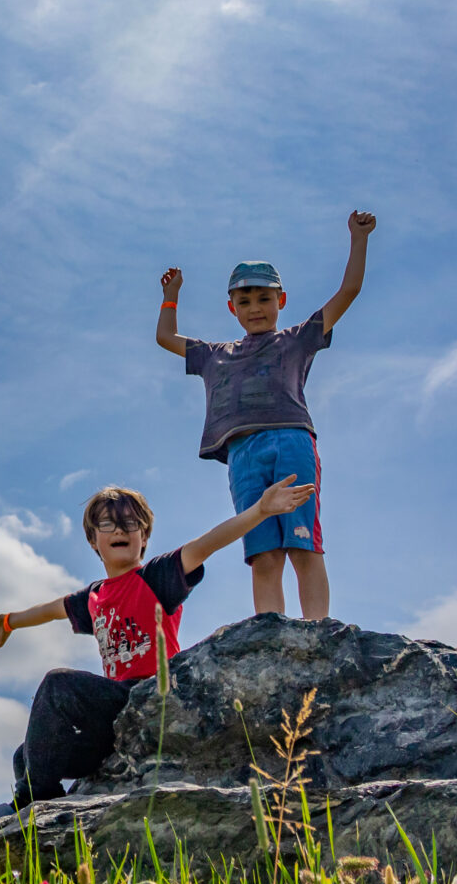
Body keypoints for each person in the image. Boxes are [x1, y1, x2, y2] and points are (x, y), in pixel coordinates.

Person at [0, 476, 314, 818]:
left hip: (149, 699)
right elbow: (49, 610)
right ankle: (50, 807)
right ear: (93, 540)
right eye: (108, 525)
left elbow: (208, 543)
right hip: (111, 724)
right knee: (27, 755)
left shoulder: (156, 577)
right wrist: (9, 623)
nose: (120, 530)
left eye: (130, 524)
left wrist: (261, 511)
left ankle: (32, 802)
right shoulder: (94, 597)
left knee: (57, 686)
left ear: (144, 537)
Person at [154, 209, 375, 622]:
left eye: (264, 299)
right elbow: (165, 337)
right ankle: (270, 632)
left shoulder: (296, 340)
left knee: (302, 541)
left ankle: (317, 629)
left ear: (281, 301)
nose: (255, 308)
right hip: (242, 453)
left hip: (290, 440)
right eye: (245, 301)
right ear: (231, 307)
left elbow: (349, 290)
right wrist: (171, 297)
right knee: (262, 553)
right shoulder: (215, 355)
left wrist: (358, 239)